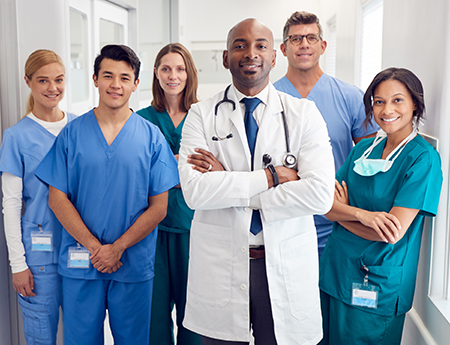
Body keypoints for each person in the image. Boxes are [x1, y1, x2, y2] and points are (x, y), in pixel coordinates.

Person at [178, 18, 335, 345]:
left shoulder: (304, 114)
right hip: (222, 263)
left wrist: (229, 184)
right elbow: (195, 192)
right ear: (226, 58)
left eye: (260, 45)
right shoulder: (201, 115)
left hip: (283, 263)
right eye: (240, 45)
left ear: (274, 56)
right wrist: (273, 176)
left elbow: (320, 196)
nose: (251, 53)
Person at [35, 44, 179, 345]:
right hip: (81, 262)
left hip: (132, 261)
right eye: (108, 76)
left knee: (133, 340)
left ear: (136, 84)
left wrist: (118, 248)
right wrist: (95, 248)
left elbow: (159, 207)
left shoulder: (151, 137)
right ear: (95, 79)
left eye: (125, 78)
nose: (116, 85)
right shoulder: (72, 134)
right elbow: (56, 198)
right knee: (80, 340)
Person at [319, 68, 443, 345]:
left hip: (376, 283)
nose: (387, 109)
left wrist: (343, 213)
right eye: (378, 101)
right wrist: (363, 215)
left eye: (397, 100)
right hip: (336, 271)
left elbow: (390, 232)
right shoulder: (362, 150)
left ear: (415, 104)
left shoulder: (423, 160)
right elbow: (326, 205)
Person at [274, 11, 378, 258]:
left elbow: (368, 162)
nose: (304, 44)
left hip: (336, 222)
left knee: (331, 293)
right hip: (282, 219)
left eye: (311, 37)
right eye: (296, 39)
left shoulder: (351, 97)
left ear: (323, 46)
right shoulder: (268, 99)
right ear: (283, 48)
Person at [0, 49, 76, 344]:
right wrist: (17, 264)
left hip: (80, 252)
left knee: (83, 334)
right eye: (43, 80)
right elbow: (10, 204)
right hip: (38, 259)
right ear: (28, 81)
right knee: (40, 338)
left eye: (58, 80)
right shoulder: (16, 136)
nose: (52, 88)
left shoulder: (80, 127)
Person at [137, 43, 200, 345]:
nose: (173, 76)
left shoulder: (204, 117)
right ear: (155, 73)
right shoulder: (140, 119)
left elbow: (211, 171)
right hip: (152, 230)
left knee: (195, 314)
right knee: (154, 313)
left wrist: (166, 170)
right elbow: (137, 175)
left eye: (179, 69)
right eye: (166, 68)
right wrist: (182, 169)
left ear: (189, 74)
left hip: (195, 228)